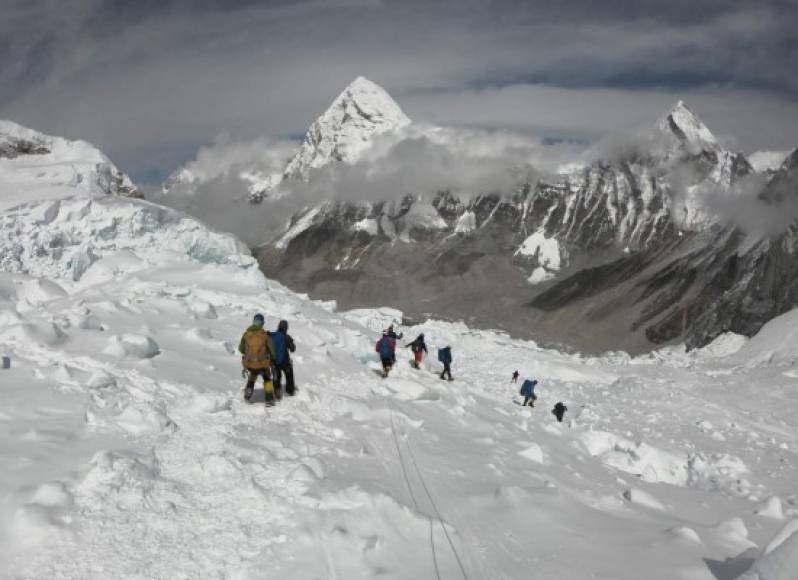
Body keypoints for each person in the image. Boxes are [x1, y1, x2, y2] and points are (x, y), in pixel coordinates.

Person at [238, 313, 277, 406]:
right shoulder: (265, 335)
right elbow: (273, 350)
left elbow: (240, 349)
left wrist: (250, 354)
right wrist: (273, 358)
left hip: (250, 364)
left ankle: (247, 395)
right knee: (267, 379)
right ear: (262, 323)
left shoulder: (246, 334)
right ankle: (269, 399)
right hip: (263, 364)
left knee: (252, 376)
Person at [269, 319, 296, 398]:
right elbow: (293, 349)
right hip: (285, 362)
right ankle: (290, 391)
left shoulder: (273, 335)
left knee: (276, 376)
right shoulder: (287, 337)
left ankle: (277, 390)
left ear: (278, 326)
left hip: (274, 362)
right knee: (289, 375)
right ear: (286, 328)